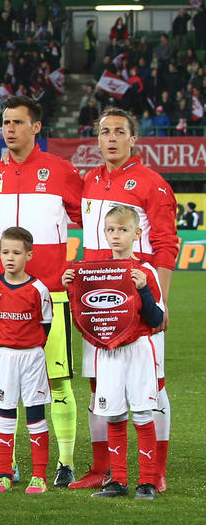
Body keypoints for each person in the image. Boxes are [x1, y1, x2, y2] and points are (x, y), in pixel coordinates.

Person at [71, 107, 178, 491]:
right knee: (100, 384)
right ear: (96, 139)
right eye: (104, 132)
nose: (111, 138)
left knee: (155, 383)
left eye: (119, 131)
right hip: (97, 304)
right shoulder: (89, 181)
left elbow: (166, 243)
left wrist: (159, 301)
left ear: (134, 139)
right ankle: (105, 469)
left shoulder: (152, 183)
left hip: (136, 300)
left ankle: (157, 470)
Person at [0, 96, 83, 487]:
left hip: (50, 296)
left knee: (57, 381)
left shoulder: (60, 171)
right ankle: (6, 465)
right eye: (6, 122)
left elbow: (87, 219)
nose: (10, 129)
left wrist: (74, 266)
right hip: (1, 297)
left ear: (36, 127)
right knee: (0, 385)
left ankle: (64, 461)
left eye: (18, 122)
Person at [62, 205, 164, 500]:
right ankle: (117, 481)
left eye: (122, 229)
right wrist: (71, 289)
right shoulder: (95, 272)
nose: (116, 235)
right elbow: (88, 316)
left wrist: (143, 290)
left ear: (137, 233)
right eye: (110, 230)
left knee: (143, 414)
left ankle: (147, 482)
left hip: (137, 352)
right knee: (114, 415)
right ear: (103, 233)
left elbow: (157, 320)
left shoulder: (145, 271)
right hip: (107, 354)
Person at [0, 226, 53, 494]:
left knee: (35, 414)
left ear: (29, 255)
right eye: (4, 252)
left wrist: (27, 343)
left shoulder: (38, 289)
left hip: (32, 357)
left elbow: (45, 325)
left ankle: (39, 476)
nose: (9, 257)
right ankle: (4, 473)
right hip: (5, 357)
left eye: (16, 252)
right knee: (5, 414)